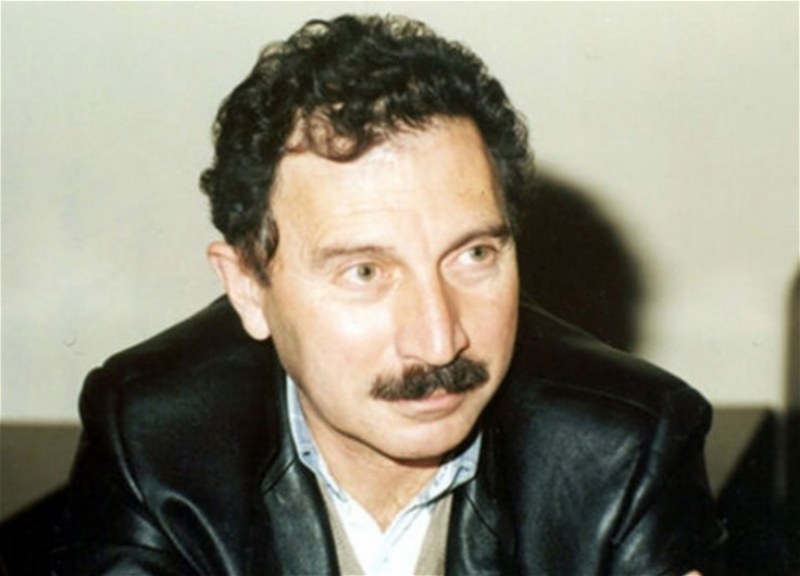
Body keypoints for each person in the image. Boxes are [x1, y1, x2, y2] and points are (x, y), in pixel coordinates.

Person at [52, 14, 723, 576]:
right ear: (249, 289)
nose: (439, 340)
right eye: (366, 273)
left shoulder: (625, 450)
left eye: (474, 255)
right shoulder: (154, 439)